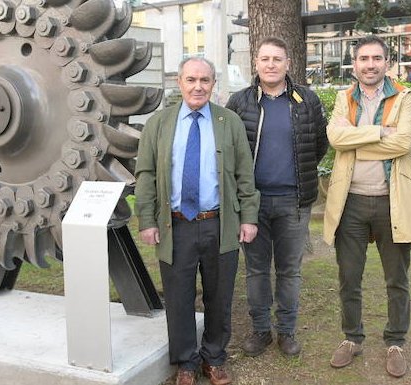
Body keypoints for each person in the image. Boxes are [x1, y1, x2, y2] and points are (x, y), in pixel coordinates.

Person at [134, 56, 260, 385]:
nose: (198, 86)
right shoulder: (158, 124)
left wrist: (249, 217)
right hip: (175, 226)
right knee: (178, 296)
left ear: (213, 84)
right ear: (180, 82)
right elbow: (145, 175)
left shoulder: (228, 121)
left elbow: (245, 174)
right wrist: (147, 219)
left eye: (205, 80)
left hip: (220, 224)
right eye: (191, 79)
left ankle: (214, 358)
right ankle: (186, 363)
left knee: (219, 295)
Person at [322, 35, 411, 378]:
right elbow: (335, 139)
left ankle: (395, 341)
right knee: (349, 277)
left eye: (376, 58)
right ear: (355, 64)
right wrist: (381, 131)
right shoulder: (343, 98)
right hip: (350, 202)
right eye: (363, 58)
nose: (369, 64)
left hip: (391, 202)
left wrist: (356, 140)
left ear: (386, 63)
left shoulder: (404, 96)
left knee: (397, 278)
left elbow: (405, 142)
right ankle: (352, 338)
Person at [225, 36, 328, 357]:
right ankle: (260, 331)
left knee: (289, 271)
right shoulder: (239, 103)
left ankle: (286, 331)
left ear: (287, 64)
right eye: (265, 59)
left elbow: (318, 145)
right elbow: (229, 151)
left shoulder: (306, 101)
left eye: (277, 59)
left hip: (294, 203)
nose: (271, 65)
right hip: (251, 204)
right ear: (255, 63)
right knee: (256, 270)